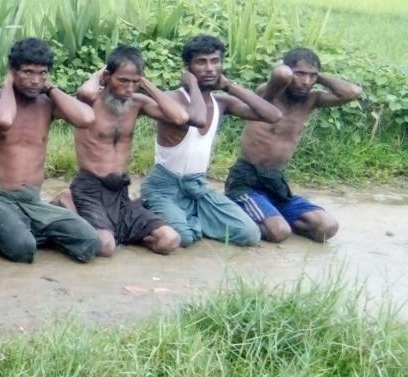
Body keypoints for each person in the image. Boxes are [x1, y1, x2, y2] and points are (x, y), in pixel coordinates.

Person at [139, 34, 281, 247]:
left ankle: (185, 219)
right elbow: (196, 118)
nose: (210, 69)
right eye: (201, 62)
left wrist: (229, 86)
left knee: (249, 234)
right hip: (164, 186)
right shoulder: (172, 99)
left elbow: (272, 115)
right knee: (183, 238)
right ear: (187, 67)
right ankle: (146, 210)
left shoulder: (222, 102)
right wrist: (193, 86)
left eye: (215, 61)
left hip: (197, 187)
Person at [0, 37, 102, 263]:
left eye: (42, 73)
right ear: (12, 71)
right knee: (23, 249)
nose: (35, 80)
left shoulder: (47, 103)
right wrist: (7, 86)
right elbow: (4, 118)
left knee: (89, 241)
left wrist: (50, 88)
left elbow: (86, 118)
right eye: (28, 72)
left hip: (32, 200)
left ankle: (27, 230)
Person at [225, 47, 360, 243]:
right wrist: (288, 70)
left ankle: (269, 214)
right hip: (247, 180)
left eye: (312, 76)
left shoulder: (312, 100)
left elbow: (352, 92)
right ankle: (234, 209)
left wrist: (316, 75)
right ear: (289, 72)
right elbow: (280, 75)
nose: (306, 81)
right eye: (300, 74)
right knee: (278, 232)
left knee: (326, 226)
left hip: (276, 182)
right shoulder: (267, 94)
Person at [67, 46, 189, 256]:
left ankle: (120, 231)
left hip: (120, 192)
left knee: (170, 240)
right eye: (122, 80)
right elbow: (85, 91)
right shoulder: (90, 101)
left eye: (135, 82)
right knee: (105, 247)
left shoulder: (137, 104)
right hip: (90, 189)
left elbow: (179, 117)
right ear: (107, 76)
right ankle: (67, 201)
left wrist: (145, 84)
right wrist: (100, 72)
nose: (129, 88)